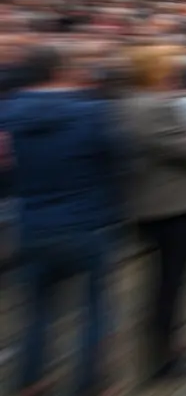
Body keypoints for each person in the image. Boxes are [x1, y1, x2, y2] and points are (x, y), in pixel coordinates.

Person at [1, 46, 123, 396]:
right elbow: (115, 162)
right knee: (96, 307)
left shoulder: (7, 113)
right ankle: (90, 384)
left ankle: (30, 381)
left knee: (36, 310)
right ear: (60, 71)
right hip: (87, 221)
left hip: (31, 223)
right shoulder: (92, 112)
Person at [121, 45, 186, 381]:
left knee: (163, 283)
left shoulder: (128, 102)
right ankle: (163, 357)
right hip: (170, 206)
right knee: (168, 285)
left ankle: (167, 345)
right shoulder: (154, 107)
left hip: (153, 204)